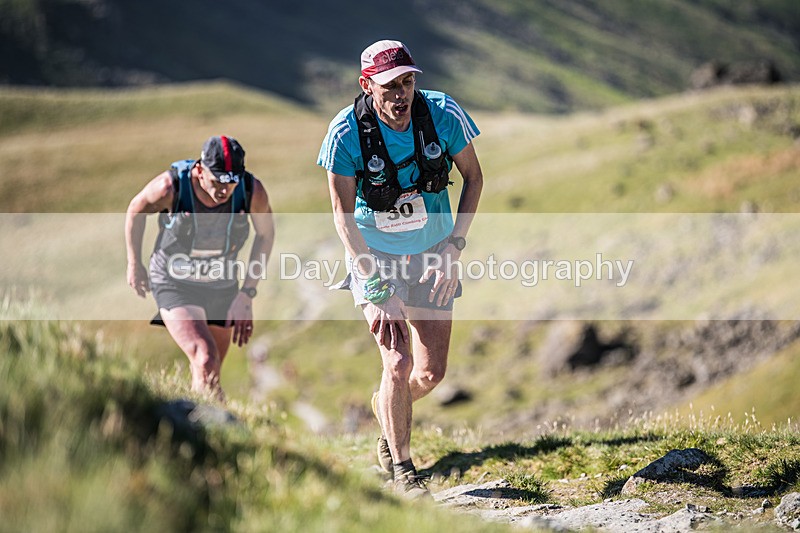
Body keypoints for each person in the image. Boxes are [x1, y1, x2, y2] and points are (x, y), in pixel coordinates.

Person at [318, 40, 483, 498]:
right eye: (389, 85)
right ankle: (404, 471)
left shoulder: (443, 114)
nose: (401, 93)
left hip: (434, 252)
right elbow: (343, 218)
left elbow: (474, 177)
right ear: (366, 85)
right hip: (375, 255)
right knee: (397, 361)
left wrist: (454, 247)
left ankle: (387, 412)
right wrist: (375, 286)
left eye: (407, 81)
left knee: (429, 374)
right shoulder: (344, 134)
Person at [125, 135, 275, 400]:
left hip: (221, 285)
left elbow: (266, 234)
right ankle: (213, 418)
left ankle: (197, 416)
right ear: (199, 170)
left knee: (209, 370)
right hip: (175, 283)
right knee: (205, 357)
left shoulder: (252, 191)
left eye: (231, 182)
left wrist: (246, 294)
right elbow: (136, 210)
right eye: (217, 181)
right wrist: (134, 263)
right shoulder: (170, 187)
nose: (224, 190)